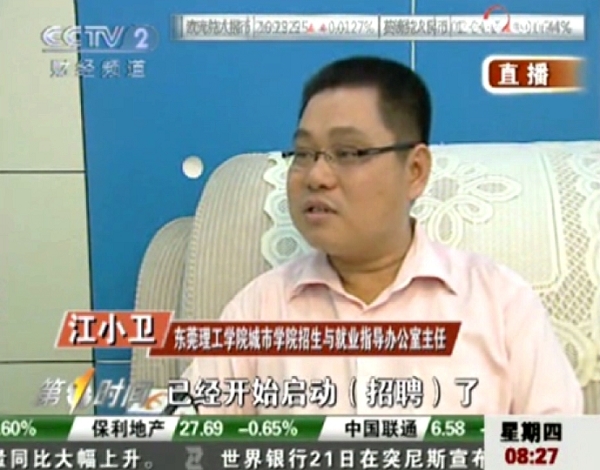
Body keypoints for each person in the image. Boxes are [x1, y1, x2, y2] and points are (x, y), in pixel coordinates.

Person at [181, 56, 583, 415]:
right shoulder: (260, 308)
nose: (316, 176)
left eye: (348, 153)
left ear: (415, 171)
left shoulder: (501, 304)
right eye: (303, 154)